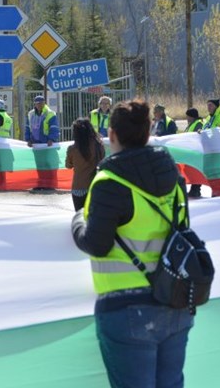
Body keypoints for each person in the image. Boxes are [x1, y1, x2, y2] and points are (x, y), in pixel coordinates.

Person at [71, 99, 193, 387]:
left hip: (125, 307)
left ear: (112, 135)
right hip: (174, 301)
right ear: (149, 131)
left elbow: (96, 243)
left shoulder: (108, 182)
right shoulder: (174, 177)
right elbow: (183, 230)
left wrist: (77, 221)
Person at [65, 118, 105, 210]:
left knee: (80, 217)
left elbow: (68, 166)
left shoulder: (72, 149)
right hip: (95, 186)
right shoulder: (99, 146)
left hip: (78, 187)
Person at [25, 95, 60, 191]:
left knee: (49, 164)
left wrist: (51, 139)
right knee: (40, 164)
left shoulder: (50, 113)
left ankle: (51, 185)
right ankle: (41, 184)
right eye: (37, 103)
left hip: (47, 144)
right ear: (34, 104)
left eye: (41, 103)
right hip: (36, 144)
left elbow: (54, 127)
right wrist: (28, 139)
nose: (39, 105)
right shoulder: (31, 114)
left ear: (44, 103)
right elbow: (28, 127)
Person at [184, 108, 204, 198]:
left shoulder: (198, 123)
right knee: (192, 171)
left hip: (196, 151)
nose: (187, 118)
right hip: (190, 151)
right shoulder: (191, 124)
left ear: (192, 116)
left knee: (195, 171)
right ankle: (194, 189)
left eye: (188, 116)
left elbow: (197, 136)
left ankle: (196, 190)